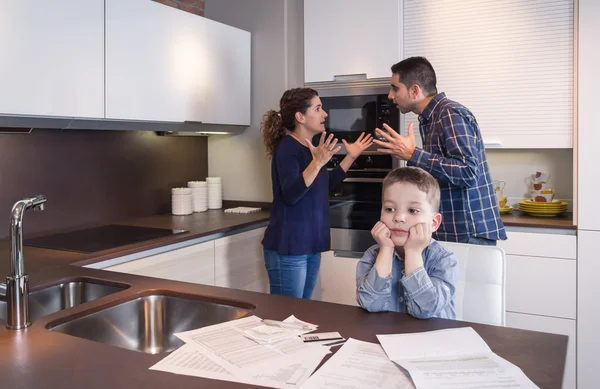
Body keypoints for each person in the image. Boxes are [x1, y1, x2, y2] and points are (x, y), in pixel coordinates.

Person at [374, 56, 506, 246]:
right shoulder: (430, 119)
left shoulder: (450, 114)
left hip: (468, 232)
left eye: (395, 88)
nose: (390, 95)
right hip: (453, 229)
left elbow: (467, 171)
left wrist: (414, 155)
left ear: (414, 90)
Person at [261, 87, 373, 299]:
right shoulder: (287, 148)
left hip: (310, 244)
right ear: (300, 116)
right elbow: (291, 194)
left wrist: (350, 157)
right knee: (286, 316)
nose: (325, 114)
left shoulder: (311, 149)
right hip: (290, 246)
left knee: (301, 313)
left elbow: (323, 185)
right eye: (318, 108)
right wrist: (318, 162)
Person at [356, 167, 457, 319]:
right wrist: (386, 250)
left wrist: (413, 253)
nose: (399, 217)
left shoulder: (443, 259)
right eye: (390, 209)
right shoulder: (373, 255)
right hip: (387, 337)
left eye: (413, 210)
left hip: (432, 339)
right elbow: (370, 304)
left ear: (434, 222)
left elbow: (426, 309)